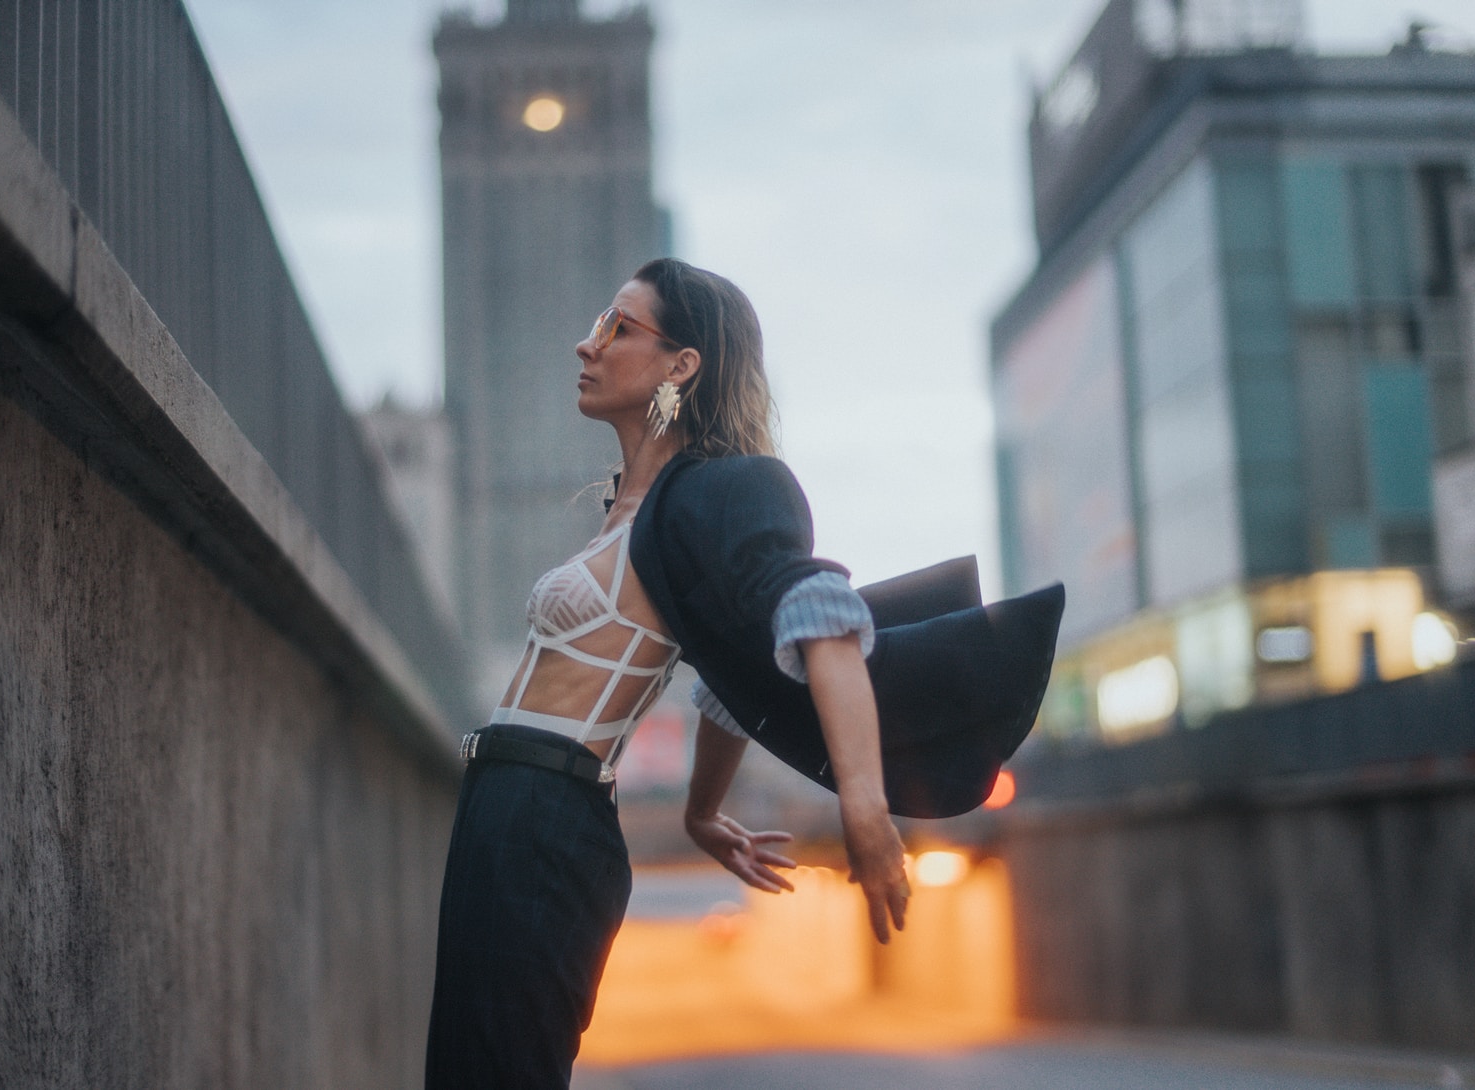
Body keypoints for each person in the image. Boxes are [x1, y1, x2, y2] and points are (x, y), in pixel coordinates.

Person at [425, 258, 1061, 1089]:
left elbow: (819, 617)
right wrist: (700, 809)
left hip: (546, 815)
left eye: (619, 327)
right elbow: (733, 668)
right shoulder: (633, 510)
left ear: (681, 363)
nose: (587, 345)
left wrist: (864, 806)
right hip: (503, 805)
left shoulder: (724, 488)